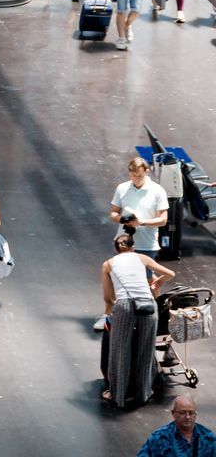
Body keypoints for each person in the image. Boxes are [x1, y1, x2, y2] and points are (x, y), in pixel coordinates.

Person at [102, 234, 175, 408]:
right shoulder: (142, 257)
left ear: (116, 249)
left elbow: (108, 296)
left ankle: (117, 395)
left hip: (125, 306)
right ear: (133, 248)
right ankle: (144, 394)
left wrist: (114, 306)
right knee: (146, 350)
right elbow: (170, 273)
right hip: (148, 304)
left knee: (120, 350)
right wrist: (157, 283)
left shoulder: (108, 264)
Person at [112, 156, 172, 264]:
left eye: (139, 176)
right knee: (120, 278)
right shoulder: (122, 188)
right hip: (123, 244)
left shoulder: (158, 191)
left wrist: (141, 222)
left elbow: (163, 220)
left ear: (146, 172)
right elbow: (114, 212)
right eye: (132, 176)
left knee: (146, 278)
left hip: (146, 246)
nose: (136, 179)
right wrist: (123, 220)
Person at [139, 397, 216, 456]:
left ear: (195, 414)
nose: (187, 417)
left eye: (191, 413)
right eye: (182, 413)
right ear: (173, 413)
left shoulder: (208, 437)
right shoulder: (159, 437)